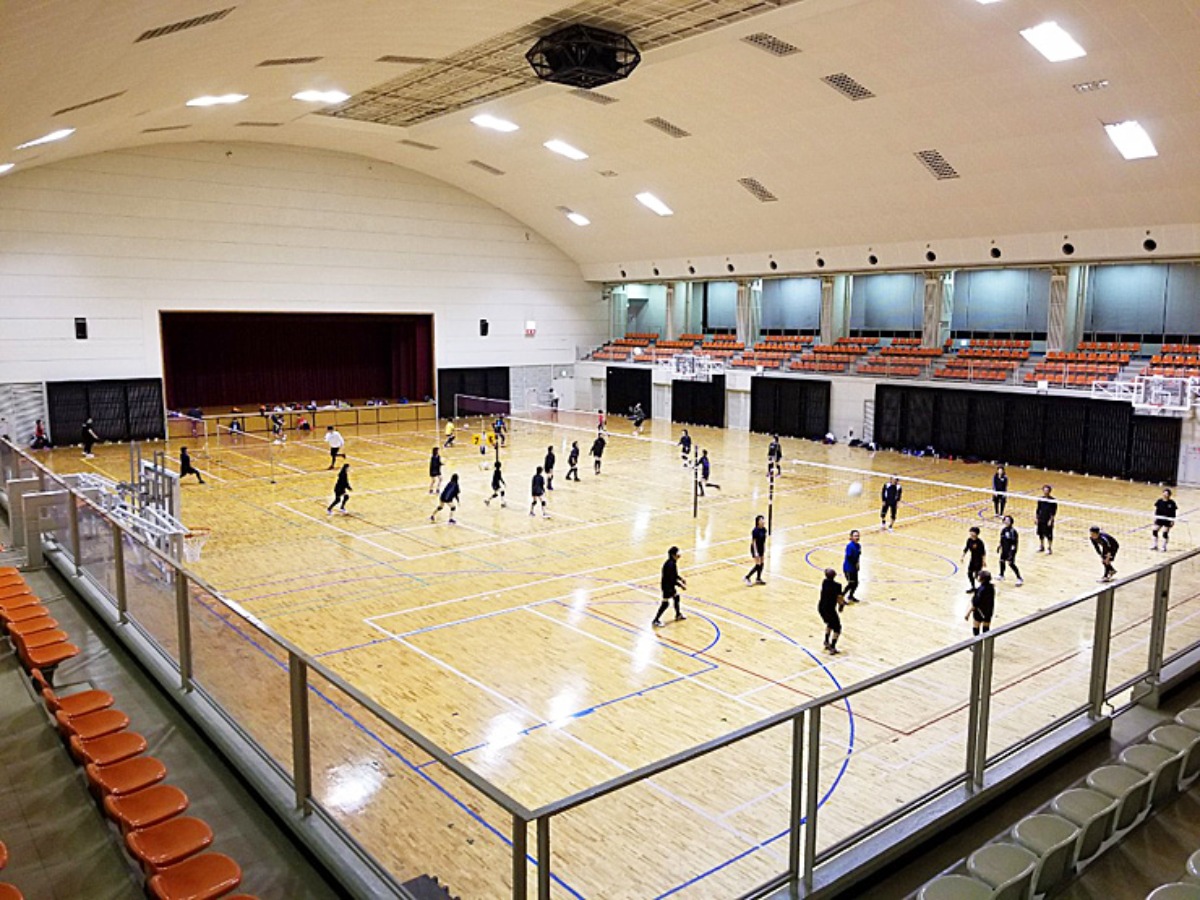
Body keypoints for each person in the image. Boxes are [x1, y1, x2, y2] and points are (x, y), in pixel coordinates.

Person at [652, 546, 687, 628]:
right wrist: (680, 585)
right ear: (673, 555)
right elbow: (671, 579)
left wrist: (681, 579)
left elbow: (674, 575)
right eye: (677, 553)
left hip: (669, 585)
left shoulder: (672, 563)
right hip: (667, 587)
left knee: (676, 597)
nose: (679, 554)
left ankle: (678, 614)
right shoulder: (670, 565)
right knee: (665, 603)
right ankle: (655, 620)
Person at [819, 568, 846, 654]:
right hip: (830, 609)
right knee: (837, 628)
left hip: (821, 608)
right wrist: (841, 606)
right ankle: (833, 646)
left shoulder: (824, 582)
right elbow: (840, 598)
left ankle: (826, 641)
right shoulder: (837, 586)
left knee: (830, 623)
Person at [965, 570, 995, 636]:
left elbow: (975, 603)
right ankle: (986, 642)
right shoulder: (991, 587)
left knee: (976, 627)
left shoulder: (980, 590)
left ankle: (978, 642)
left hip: (979, 611)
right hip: (989, 611)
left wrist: (968, 613)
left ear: (982, 579)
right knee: (986, 629)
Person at [997, 515, 1023, 586]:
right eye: (1005, 520)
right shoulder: (1003, 530)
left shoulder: (1013, 531)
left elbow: (1014, 543)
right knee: (1001, 561)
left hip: (1010, 550)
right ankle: (1001, 575)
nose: (1006, 521)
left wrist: (1012, 553)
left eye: (1008, 520)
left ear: (1011, 522)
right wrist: (999, 546)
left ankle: (1019, 578)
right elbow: (1002, 539)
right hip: (1004, 549)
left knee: (1011, 563)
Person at [961, 526, 987, 592]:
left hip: (979, 560)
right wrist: (962, 556)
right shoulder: (969, 540)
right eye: (971, 531)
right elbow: (966, 548)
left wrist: (984, 561)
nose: (971, 533)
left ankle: (983, 587)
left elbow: (983, 552)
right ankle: (973, 587)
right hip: (972, 559)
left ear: (976, 533)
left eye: (973, 532)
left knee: (977, 575)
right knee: (969, 573)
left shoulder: (980, 542)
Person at [744, 515, 767, 586]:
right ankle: (747, 577)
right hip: (755, 548)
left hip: (761, 548)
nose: (763, 521)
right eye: (761, 520)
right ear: (758, 522)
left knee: (762, 563)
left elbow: (764, 540)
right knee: (758, 565)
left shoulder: (764, 529)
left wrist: (764, 548)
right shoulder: (755, 531)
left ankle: (758, 578)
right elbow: (753, 542)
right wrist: (756, 552)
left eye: (763, 520)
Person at [1036, 484, 1057, 554]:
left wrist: (1051, 520)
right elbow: (1038, 510)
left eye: (1047, 490)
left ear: (1049, 491)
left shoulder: (1053, 500)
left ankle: (1049, 548)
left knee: (1049, 535)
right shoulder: (1040, 499)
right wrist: (1037, 518)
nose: (1045, 492)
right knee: (1040, 533)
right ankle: (1041, 546)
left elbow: (1053, 512)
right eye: (1044, 490)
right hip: (1041, 519)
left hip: (1048, 519)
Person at [843, 530, 862, 602]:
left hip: (854, 568)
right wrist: (855, 563)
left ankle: (850, 596)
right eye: (855, 536)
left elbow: (858, 556)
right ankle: (841, 596)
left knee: (856, 583)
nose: (857, 537)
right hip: (849, 568)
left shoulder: (858, 546)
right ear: (851, 537)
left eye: (858, 536)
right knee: (851, 583)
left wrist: (858, 564)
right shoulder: (850, 546)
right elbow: (849, 557)